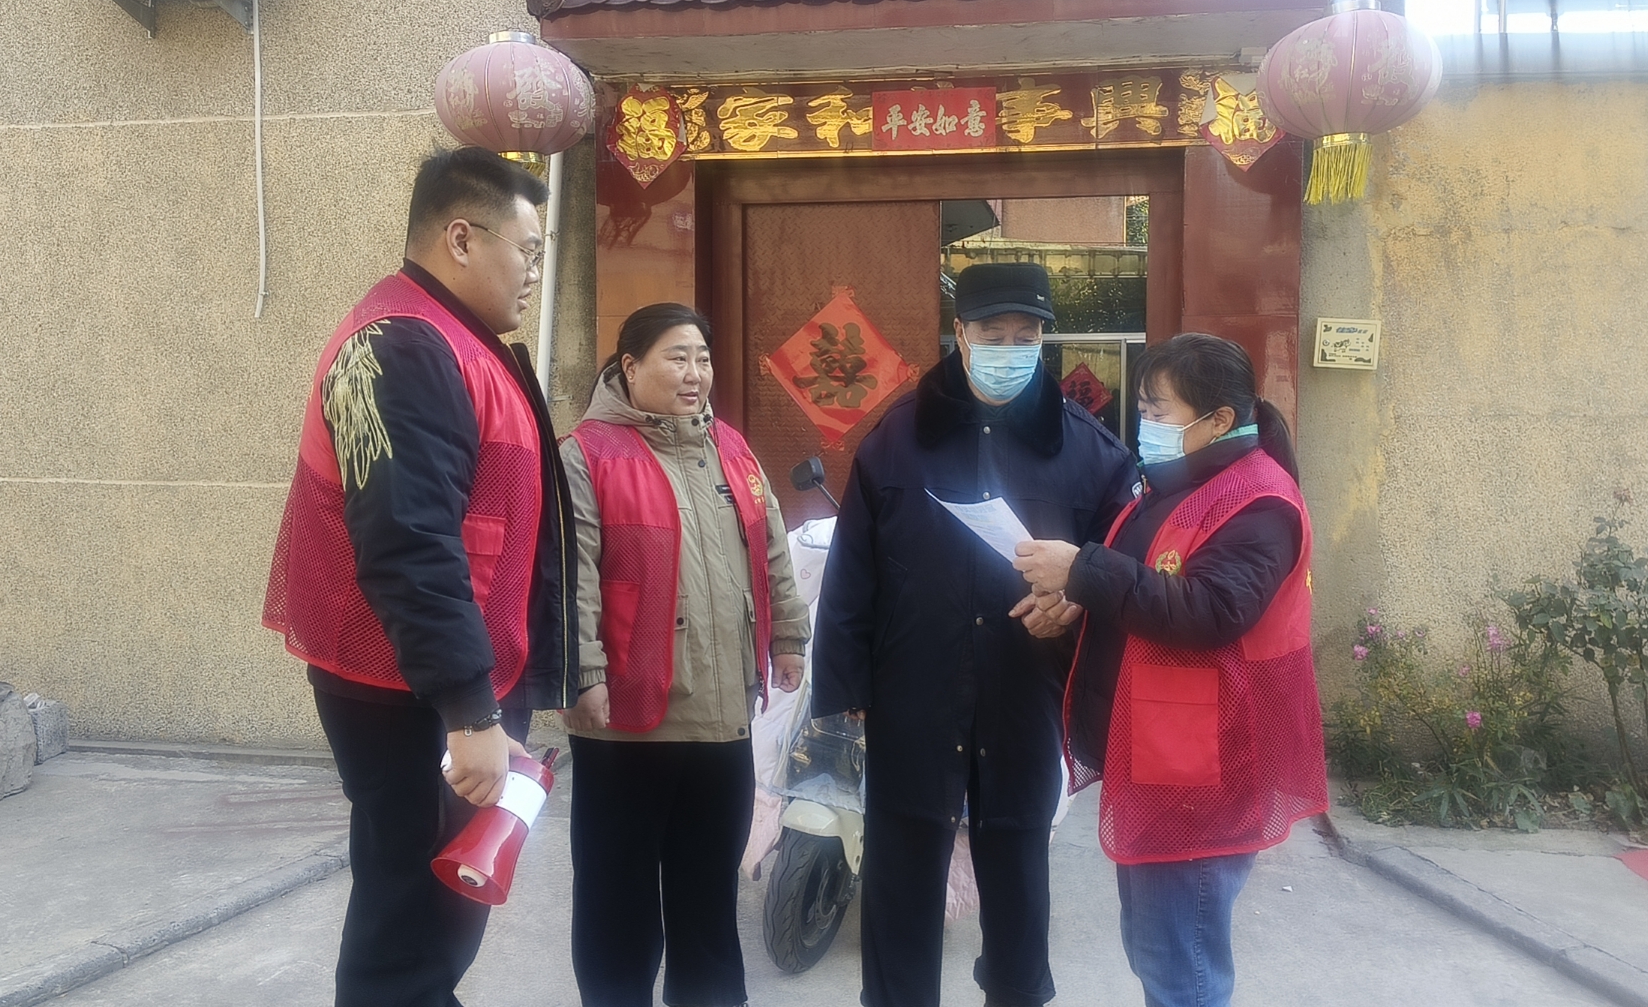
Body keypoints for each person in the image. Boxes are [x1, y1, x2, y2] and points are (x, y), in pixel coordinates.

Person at [262, 146, 576, 1007]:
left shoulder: (450, 339)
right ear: (462, 239)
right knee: (412, 928)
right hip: (408, 693)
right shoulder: (404, 345)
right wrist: (469, 711)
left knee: (431, 917)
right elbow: (408, 542)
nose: (533, 274)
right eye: (528, 250)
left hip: (435, 685)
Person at [813, 263, 1140, 1007]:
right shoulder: (895, 440)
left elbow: (1123, 568)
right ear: (959, 335)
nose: (1010, 349)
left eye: (1026, 336)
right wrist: (846, 685)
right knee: (902, 868)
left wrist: (1080, 600)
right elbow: (852, 569)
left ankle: (1017, 994)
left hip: (1024, 690)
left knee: (1018, 866)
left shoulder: (1092, 451)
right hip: (913, 690)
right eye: (994, 334)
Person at [1011, 332, 1328, 1007]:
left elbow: (1211, 610)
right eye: (1143, 408)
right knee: (1155, 946)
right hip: (1159, 753)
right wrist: (1078, 600)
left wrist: (1083, 568)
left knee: (1182, 966)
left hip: (1203, 770)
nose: (1144, 423)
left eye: (1159, 411)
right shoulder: (1178, 483)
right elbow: (1147, 585)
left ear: (1219, 419)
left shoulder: (1259, 502)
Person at [559, 302, 811, 1007]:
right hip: (627, 721)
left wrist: (788, 636)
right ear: (630, 366)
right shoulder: (586, 454)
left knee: (708, 900)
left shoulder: (730, 447)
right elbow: (571, 577)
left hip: (723, 718)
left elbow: (772, 549)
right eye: (677, 357)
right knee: (618, 900)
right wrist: (584, 672)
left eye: (702, 357)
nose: (695, 372)